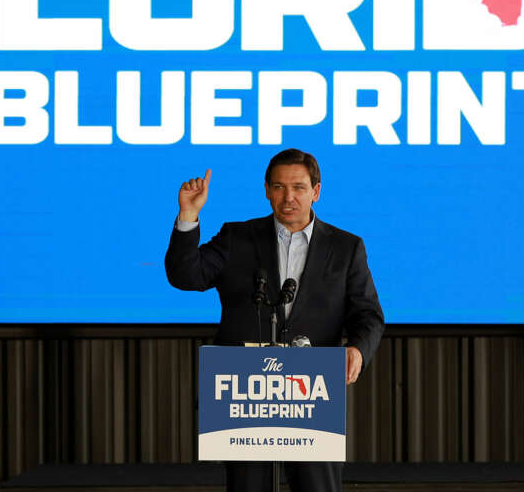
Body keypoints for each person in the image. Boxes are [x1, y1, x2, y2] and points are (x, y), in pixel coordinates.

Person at [165, 148, 385, 492]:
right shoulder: (237, 237)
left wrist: (358, 349)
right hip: (248, 395)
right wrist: (188, 216)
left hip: (312, 396)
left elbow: (368, 313)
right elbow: (185, 276)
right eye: (279, 187)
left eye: (298, 187)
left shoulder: (346, 247)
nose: (288, 197)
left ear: (316, 191)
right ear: (267, 189)